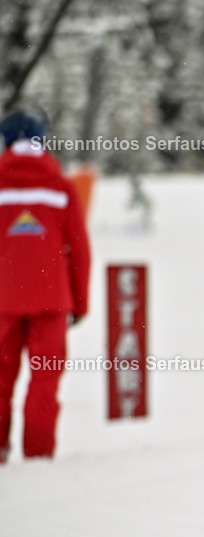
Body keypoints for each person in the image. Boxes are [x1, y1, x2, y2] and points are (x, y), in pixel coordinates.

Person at [0, 106, 91, 463]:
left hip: (3, 301)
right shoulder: (61, 187)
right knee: (45, 381)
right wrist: (80, 303)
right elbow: (79, 250)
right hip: (51, 300)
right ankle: (38, 456)